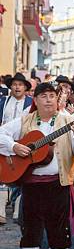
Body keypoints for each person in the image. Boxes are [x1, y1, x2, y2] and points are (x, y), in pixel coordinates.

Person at [0, 82, 74, 249]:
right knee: (30, 231)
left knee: (58, 230)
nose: (49, 99)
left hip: (57, 184)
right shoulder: (24, 121)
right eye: (44, 96)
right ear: (36, 100)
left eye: (52, 95)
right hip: (31, 185)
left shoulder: (68, 121)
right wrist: (14, 147)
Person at [0, 73, 33, 225]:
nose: (17, 87)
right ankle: (1, 212)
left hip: (22, 142)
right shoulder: (3, 101)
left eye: (20, 85)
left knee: (20, 175)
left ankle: (16, 208)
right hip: (4, 141)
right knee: (2, 175)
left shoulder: (31, 103)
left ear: (26, 88)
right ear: (11, 87)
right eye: (15, 84)